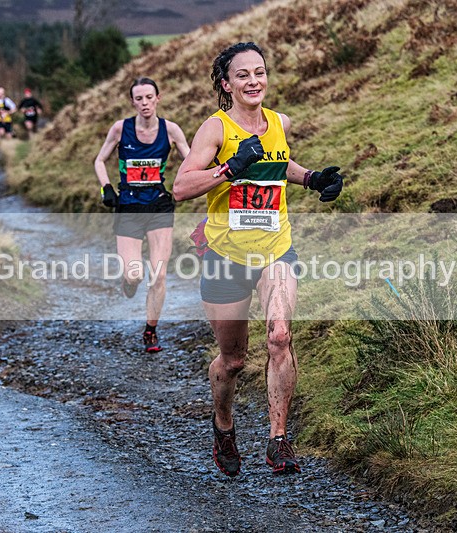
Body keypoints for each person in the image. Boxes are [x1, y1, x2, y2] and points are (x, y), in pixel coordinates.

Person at [172, 42, 344, 477]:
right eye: (243, 75)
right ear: (226, 84)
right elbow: (181, 187)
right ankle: (224, 426)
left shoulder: (279, 122)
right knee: (233, 360)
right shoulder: (215, 129)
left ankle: (278, 439)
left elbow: (278, 163)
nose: (254, 81)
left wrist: (311, 178)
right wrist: (229, 168)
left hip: (275, 250)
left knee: (280, 337)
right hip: (225, 255)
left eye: (259, 72)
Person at [94, 77, 190, 352]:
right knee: (136, 274)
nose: (145, 103)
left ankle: (151, 331)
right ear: (132, 102)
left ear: (158, 98)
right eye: (139, 99)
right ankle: (128, 280)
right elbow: (100, 160)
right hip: (129, 206)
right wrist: (106, 188)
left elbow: (193, 159)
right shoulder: (120, 129)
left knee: (158, 275)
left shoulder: (171, 130)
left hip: (158, 204)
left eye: (149, 97)